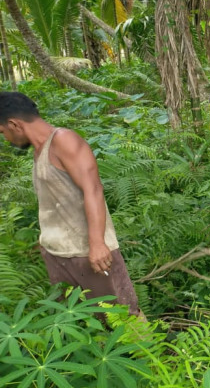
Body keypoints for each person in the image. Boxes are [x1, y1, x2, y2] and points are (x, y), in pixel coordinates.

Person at [0, 92, 141, 316]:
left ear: (13, 124)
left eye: (3, 132)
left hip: (88, 254)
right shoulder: (40, 151)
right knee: (80, 321)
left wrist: (97, 244)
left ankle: (146, 352)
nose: (5, 138)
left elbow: (93, 189)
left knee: (122, 318)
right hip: (60, 253)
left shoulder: (63, 140)